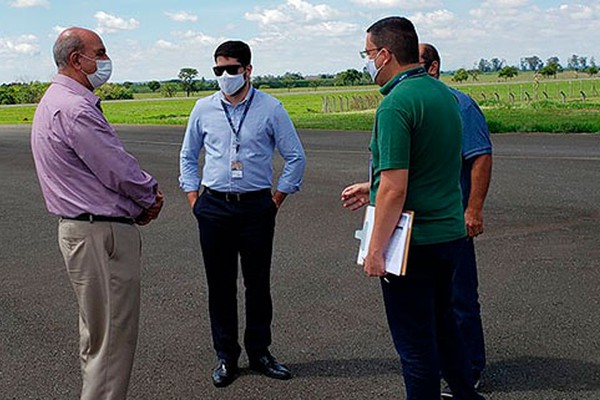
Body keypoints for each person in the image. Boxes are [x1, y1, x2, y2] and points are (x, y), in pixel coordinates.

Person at [341, 17, 484, 400]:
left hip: (412, 244)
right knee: (446, 329)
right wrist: (370, 187)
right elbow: (430, 166)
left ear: (385, 54)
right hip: (448, 234)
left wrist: (375, 250)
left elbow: (394, 187)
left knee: (416, 349)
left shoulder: (396, 104)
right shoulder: (444, 96)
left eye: (368, 53)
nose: (367, 61)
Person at [31, 27, 164, 400]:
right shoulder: (75, 109)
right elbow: (117, 169)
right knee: (112, 344)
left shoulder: (55, 100)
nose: (104, 61)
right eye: (100, 53)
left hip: (83, 231)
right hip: (99, 234)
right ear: (77, 60)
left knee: (97, 337)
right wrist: (149, 196)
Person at [179, 40, 306, 388]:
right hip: (214, 205)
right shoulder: (203, 109)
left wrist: (276, 199)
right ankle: (225, 355)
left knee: (257, 283)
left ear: (248, 70)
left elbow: (295, 157)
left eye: (231, 69)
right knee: (219, 285)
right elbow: (188, 156)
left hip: (255, 207)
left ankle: (260, 352)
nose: (224, 76)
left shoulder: (271, 108)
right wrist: (194, 199)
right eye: (218, 70)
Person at [419, 43, 493, 398]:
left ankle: (469, 369)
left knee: (460, 297)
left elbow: (480, 158)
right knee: (427, 300)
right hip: (420, 223)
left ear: (432, 68)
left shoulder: (460, 105)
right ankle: (441, 365)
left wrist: (473, 209)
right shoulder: (414, 104)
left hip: (453, 219)